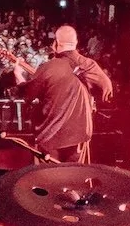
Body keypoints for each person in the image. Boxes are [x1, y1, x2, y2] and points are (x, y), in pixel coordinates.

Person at [16, 24, 114, 162]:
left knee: (50, 175)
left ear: (56, 43)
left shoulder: (48, 67)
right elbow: (107, 91)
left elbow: (26, 94)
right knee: (74, 174)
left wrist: (18, 75)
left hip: (50, 136)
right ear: (76, 42)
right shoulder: (90, 65)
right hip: (79, 136)